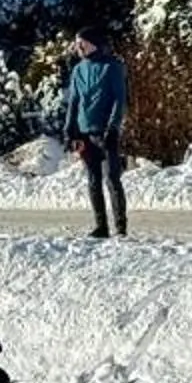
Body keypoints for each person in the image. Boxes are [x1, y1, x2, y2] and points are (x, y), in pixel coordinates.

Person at [58, 26, 129, 238]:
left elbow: (119, 99)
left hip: (106, 132)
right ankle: (101, 226)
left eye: (83, 43)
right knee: (93, 180)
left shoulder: (113, 67)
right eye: (76, 43)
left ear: (95, 43)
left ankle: (121, 227)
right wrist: (69, 131)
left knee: (112, 179)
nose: (78, 47)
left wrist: (113, 127)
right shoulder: (78, 70)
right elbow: (74, 102)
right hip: (84, 132)